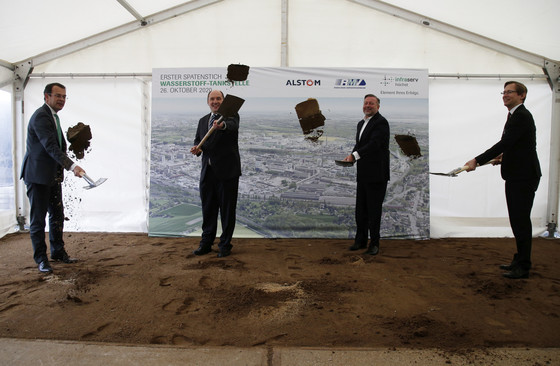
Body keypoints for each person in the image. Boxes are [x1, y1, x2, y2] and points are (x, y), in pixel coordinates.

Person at [464, 81, 541, 279]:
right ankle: (519, 258)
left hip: (524, 177)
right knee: (517, 220)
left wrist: (477, 160)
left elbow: (505, 142)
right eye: (504, 92)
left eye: (510, 92)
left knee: (521, 221)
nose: (505, 95)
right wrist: (504, 157)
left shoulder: (521, 115)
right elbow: (518, 145)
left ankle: (523, 266)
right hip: (516, 174)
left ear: (522, 95)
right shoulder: (514, 114)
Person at [20, 83, 85, 273]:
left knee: (57, 215)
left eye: (64, 96)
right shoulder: (41, 116)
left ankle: (58, 252)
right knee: (38, 220)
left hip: (52, 176)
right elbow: (50, 146)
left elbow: (57, 146)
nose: (62, 100)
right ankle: (41, 259)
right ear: (46, 97)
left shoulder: (53, 117)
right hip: (38, 176)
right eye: (58, 96)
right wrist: (72, 166)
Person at [190, 90, 241, 258]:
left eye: (218, 98)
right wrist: (197, 149)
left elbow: (232, 127)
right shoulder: (203, 121)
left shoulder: (231, 116)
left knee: (227, 210)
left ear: (224, 101)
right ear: (208, 102)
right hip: (208, 173)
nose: (215, 101)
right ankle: (206, 243)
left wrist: (222, 126)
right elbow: (199, 141)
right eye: (212, 99)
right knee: (208, 209)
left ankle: (225, 245)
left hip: (227, 173)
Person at [343, 94, 390, 255]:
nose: (368, 106)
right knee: (361, 210)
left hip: (377, 175)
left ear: (378, 106)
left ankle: (374, 243)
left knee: (374, 211)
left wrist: (355, 155)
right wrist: (351, 157)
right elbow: (359, 144)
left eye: (371, 103)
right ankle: (360, 241)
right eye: (365, 103)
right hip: (363, 174)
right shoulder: (361, 123)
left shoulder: (381, 123)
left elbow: (374, 144)